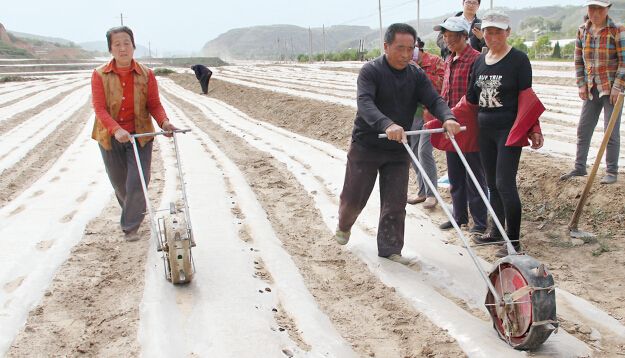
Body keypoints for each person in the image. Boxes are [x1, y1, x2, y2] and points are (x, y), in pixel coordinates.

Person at [333, 23, 460, 263]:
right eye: (399, 48)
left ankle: (390, 249)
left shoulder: (416, 74)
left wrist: (448, 117)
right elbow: (365, 104)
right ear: (386, 46)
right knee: (354, 198)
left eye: (410, 49)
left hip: (398, 148)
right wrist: (387, 124)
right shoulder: (371, 71)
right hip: (367, 145)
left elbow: (433, 99)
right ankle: (344, 224)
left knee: (395, 202)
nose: (405, 54)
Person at [465, 11, 544, 257]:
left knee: (505, 184)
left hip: (508, 130)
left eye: (498, 31)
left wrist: (534, 128)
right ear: (482, 33)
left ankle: (513, 240)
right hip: (485, 129)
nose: (492, 36)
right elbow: (470, 98)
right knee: (491, 183)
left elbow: (527, 98)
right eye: (488, 31)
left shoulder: (518, 60)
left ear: (508, 32)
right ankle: (496, 231)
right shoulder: (478, 61)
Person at [91, 26, 178, 241]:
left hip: (139, 136)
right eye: (117, 44)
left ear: (134, 45)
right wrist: (116, 129)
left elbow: (154, 104)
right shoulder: (99, 75)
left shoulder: (146, 75)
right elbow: (99, 108)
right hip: (110, 137)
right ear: (110, 49)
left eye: (126, 43)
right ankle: (133, 210)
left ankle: (130, 226)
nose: (123, 48)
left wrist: (164, 122)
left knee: (137, 181)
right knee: (120, 184)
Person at [432, 17, 488, 235]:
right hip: (450, 123)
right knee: (455, 175)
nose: (449, 41)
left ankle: (480, 223)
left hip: (469, 125)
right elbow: (445, 93)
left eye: (453, 36)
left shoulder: (476, 60)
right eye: (446, 37)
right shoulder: (448, 60)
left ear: (465, 36)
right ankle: (459, 217)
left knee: (474, 175)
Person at [560, 0, 624, 185]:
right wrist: (581, 84)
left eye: (600, 9)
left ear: (607, 9)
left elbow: (624, 61)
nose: (595, 12)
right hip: (591, 88)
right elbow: (578, 60)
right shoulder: (582, 30)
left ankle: (611, 171)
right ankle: (580, 167)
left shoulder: (617, 30)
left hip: (612, 89)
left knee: (610, 131)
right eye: (592, 8)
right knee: (583, 128)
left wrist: (618, 87)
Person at [407, 37, 445, 209]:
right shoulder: (403, 63)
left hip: (431, 114)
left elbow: (442, 86)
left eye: (411, 49)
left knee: (424, 152)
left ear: (418, 48)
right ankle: (422, 191)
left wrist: (420, 73)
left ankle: (432, 194)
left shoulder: (435, 61)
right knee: (414, 153)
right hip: (413, 113)